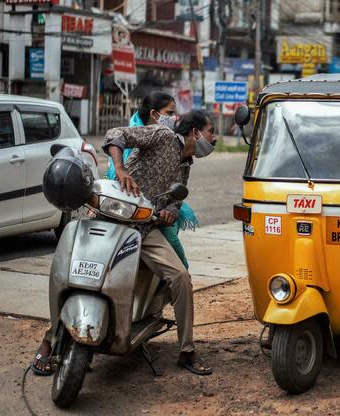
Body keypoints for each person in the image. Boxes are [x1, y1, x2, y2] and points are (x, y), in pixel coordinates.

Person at [31, 111, 217, 376]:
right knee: (79, 275)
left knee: (181, 278)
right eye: (211, 132)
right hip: (110, 217)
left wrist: (170, 212)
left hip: (144, 228)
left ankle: (187, 351)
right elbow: (116, 135)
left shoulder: (186, 164)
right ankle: (50, 340)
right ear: (195, 132)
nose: (214, 139)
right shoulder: (162, 136)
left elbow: (175, 201)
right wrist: (119, 168)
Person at [106, 92, 199, 270]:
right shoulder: (140, 133)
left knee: (176, 260)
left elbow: (178, 176)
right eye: (169, 113)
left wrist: (170, 208)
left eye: (174, 114)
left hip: (156, 211)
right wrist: (120, 170)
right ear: (154, 114)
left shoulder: (169, 138)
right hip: (125, 204)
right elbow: (114, 163)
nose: (174, 118)